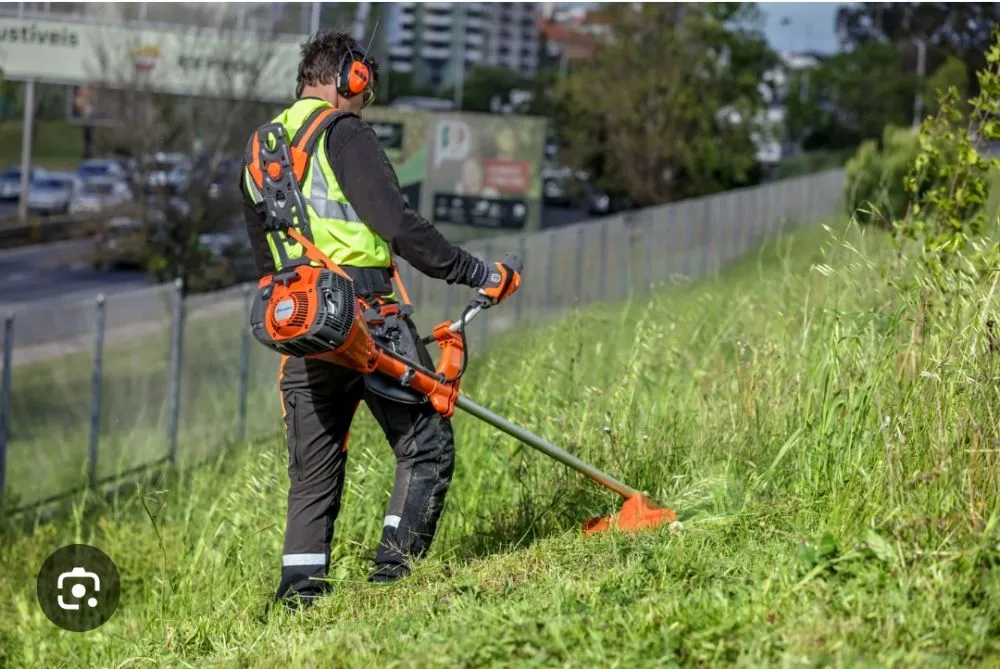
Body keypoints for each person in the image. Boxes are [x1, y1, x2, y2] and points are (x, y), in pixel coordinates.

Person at [238, 29, 522, 610]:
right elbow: (397, 224)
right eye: (364, 89)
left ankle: (299, 601)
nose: (365, 101)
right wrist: (477, 273)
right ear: (351, 79)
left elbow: (266, 257)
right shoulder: (343, 134)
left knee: (312, 474)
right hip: (369, 320)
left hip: (305, 325)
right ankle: (394, 581)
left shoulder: (260, 150)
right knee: (425, 445)